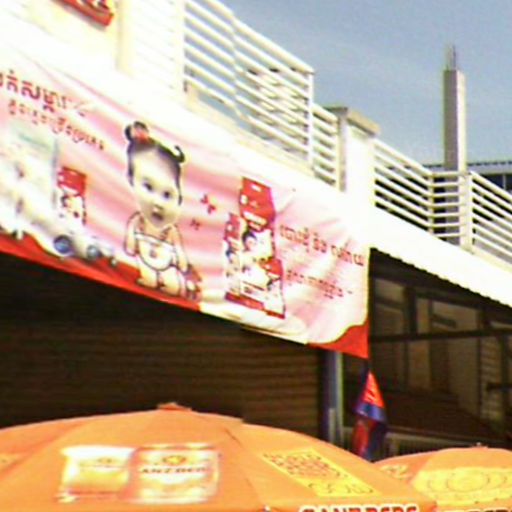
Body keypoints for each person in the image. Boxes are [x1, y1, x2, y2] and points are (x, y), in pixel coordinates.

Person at [124, 121, 194, 297]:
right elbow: (130, 244)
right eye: (148, 187)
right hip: (145, 262)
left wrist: (182, 263)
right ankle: (149, 279)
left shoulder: (170, 231)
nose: (158, 202)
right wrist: (131, 246)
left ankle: (172, 285)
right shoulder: (137, 222)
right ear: (132, 181)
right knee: (146, 273)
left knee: (172, 282)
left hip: (167, 266)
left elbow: (179, 251)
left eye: (167, 195)